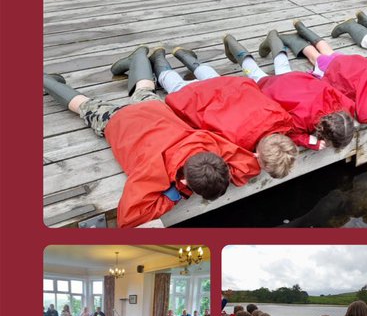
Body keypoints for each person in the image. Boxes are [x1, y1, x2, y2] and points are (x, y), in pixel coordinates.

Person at [43, 45, 262, 227]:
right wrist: (174, 196)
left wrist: (220, 173)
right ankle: (46, 80)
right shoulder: (153, 172)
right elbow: (128, 218)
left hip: (154, 112)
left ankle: (138, 57)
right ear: (184, 181)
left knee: (145, 89)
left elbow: (248, 165)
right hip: (121, 122)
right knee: (85, 106)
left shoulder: (208, 144)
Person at [151, 47, 298, 176]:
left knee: (210, 75)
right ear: (257, 155)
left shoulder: (283, 119)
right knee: (176, 86)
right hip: (202, 98)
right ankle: (159, 59)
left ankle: (181, 54)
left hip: (229, 87)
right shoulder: (237, 142)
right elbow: (237, 168)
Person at [223, 31, 358, 151]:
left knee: (282, 65)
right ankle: (235, 46)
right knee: (254, 73)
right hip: (274, 90)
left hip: (296, 80)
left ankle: (270, 39)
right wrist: (310, 141)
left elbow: (351, 105)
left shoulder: (345, 105)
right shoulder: (300, 122)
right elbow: (288, 134)